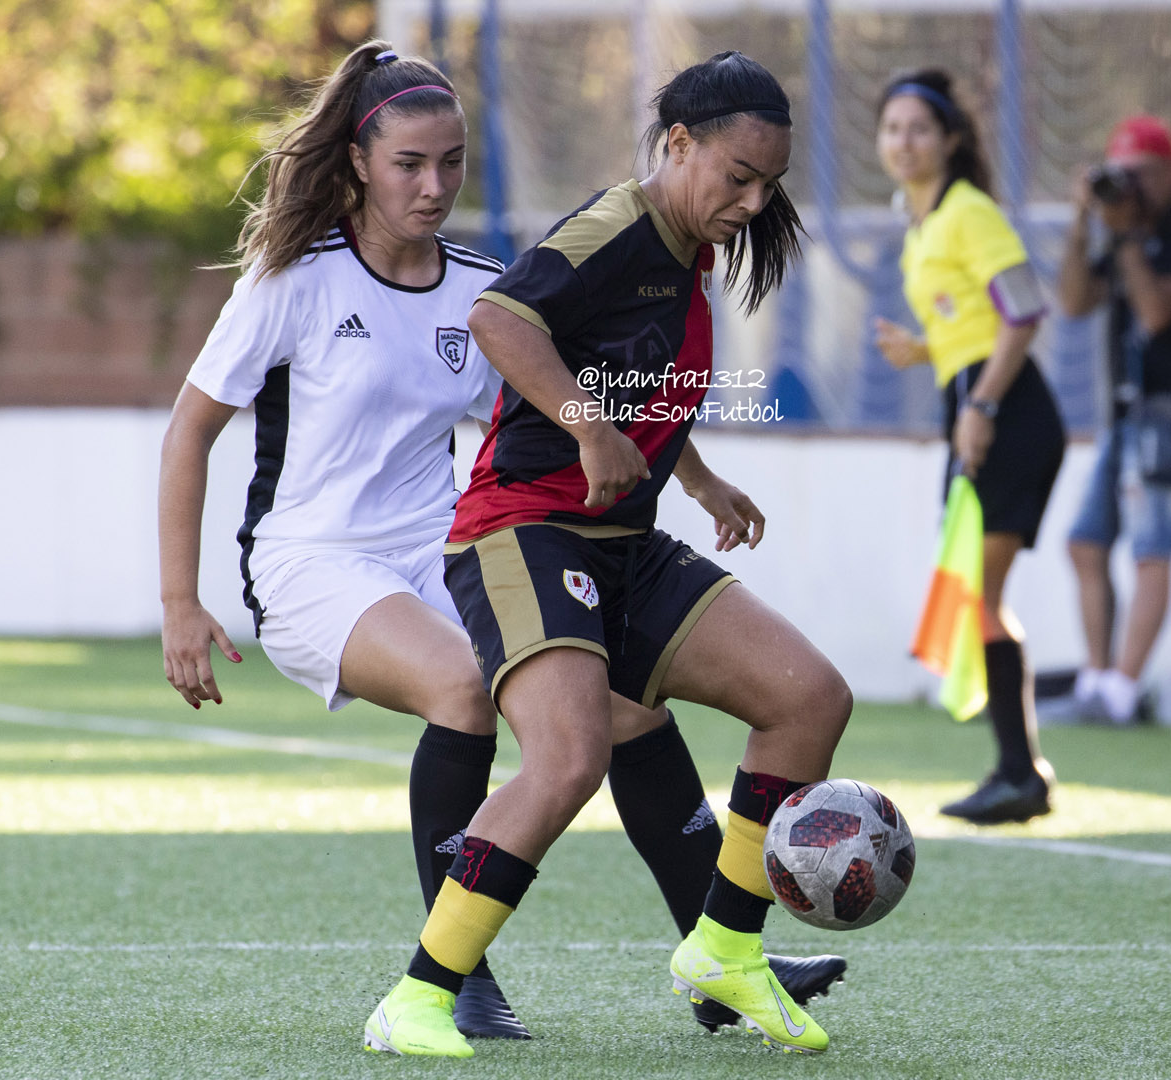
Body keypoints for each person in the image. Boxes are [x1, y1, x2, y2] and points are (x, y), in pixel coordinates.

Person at [157, 42, 843, 1045]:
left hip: (435, 549)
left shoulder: (475, 285)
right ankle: (453, 973)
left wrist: (692, 477)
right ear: (356, 162)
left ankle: (720, 955)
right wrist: (181, 601)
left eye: (451, 164)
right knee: (468, 691)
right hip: (310, 563)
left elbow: (585, 407)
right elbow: (190, 431)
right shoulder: (292, 283)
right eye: (407, 165)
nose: (433, 187)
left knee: (625, 710)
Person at [363, 51, 852, 1060]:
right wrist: (587, 427)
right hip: (521, 532)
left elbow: (634, 378)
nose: (754, 203)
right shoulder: (620, 225)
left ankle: (726, 946)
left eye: (770, 187)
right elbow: (500, 318)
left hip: (624, 541)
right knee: (572, 756)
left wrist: (700, 478)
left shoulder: (688, 250)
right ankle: (419, 994)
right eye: (737, 178)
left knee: (810, 698)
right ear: (678, 145)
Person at [872, 69, 1065, 824]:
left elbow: (1023, 312)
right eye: (892, 128)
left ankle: (1022, 774)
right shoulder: (922, 223)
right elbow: (973, 324)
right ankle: (1020, 772)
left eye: (919, 128)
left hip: (1008, 412)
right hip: (975, 405)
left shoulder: (968, 212)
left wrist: (981, 404)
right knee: (978, 595)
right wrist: (927, 352)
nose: (903, 142)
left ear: (951, 139)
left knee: (981, 594)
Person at [1056, 115, 1171, 725]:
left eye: (1142, 173)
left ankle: (1124, 692)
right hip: (1123, 418)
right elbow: (1074, 303)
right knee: (1084, 542)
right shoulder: (1120, 235)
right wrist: (1084, 220)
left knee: (1151, 552)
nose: (1130, 186)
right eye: (1120, 173)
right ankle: (1098, 681)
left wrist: (1126, 237)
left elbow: (1156, 313)